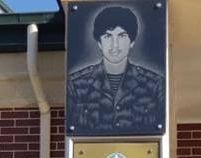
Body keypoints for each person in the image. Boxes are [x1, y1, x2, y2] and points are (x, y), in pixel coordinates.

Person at [67, 5, 165, 135]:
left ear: (132, 41)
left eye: (122, 36)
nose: (115, 44)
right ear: (99, 43)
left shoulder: (155, 85)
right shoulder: (76, 85)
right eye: (107, 36)